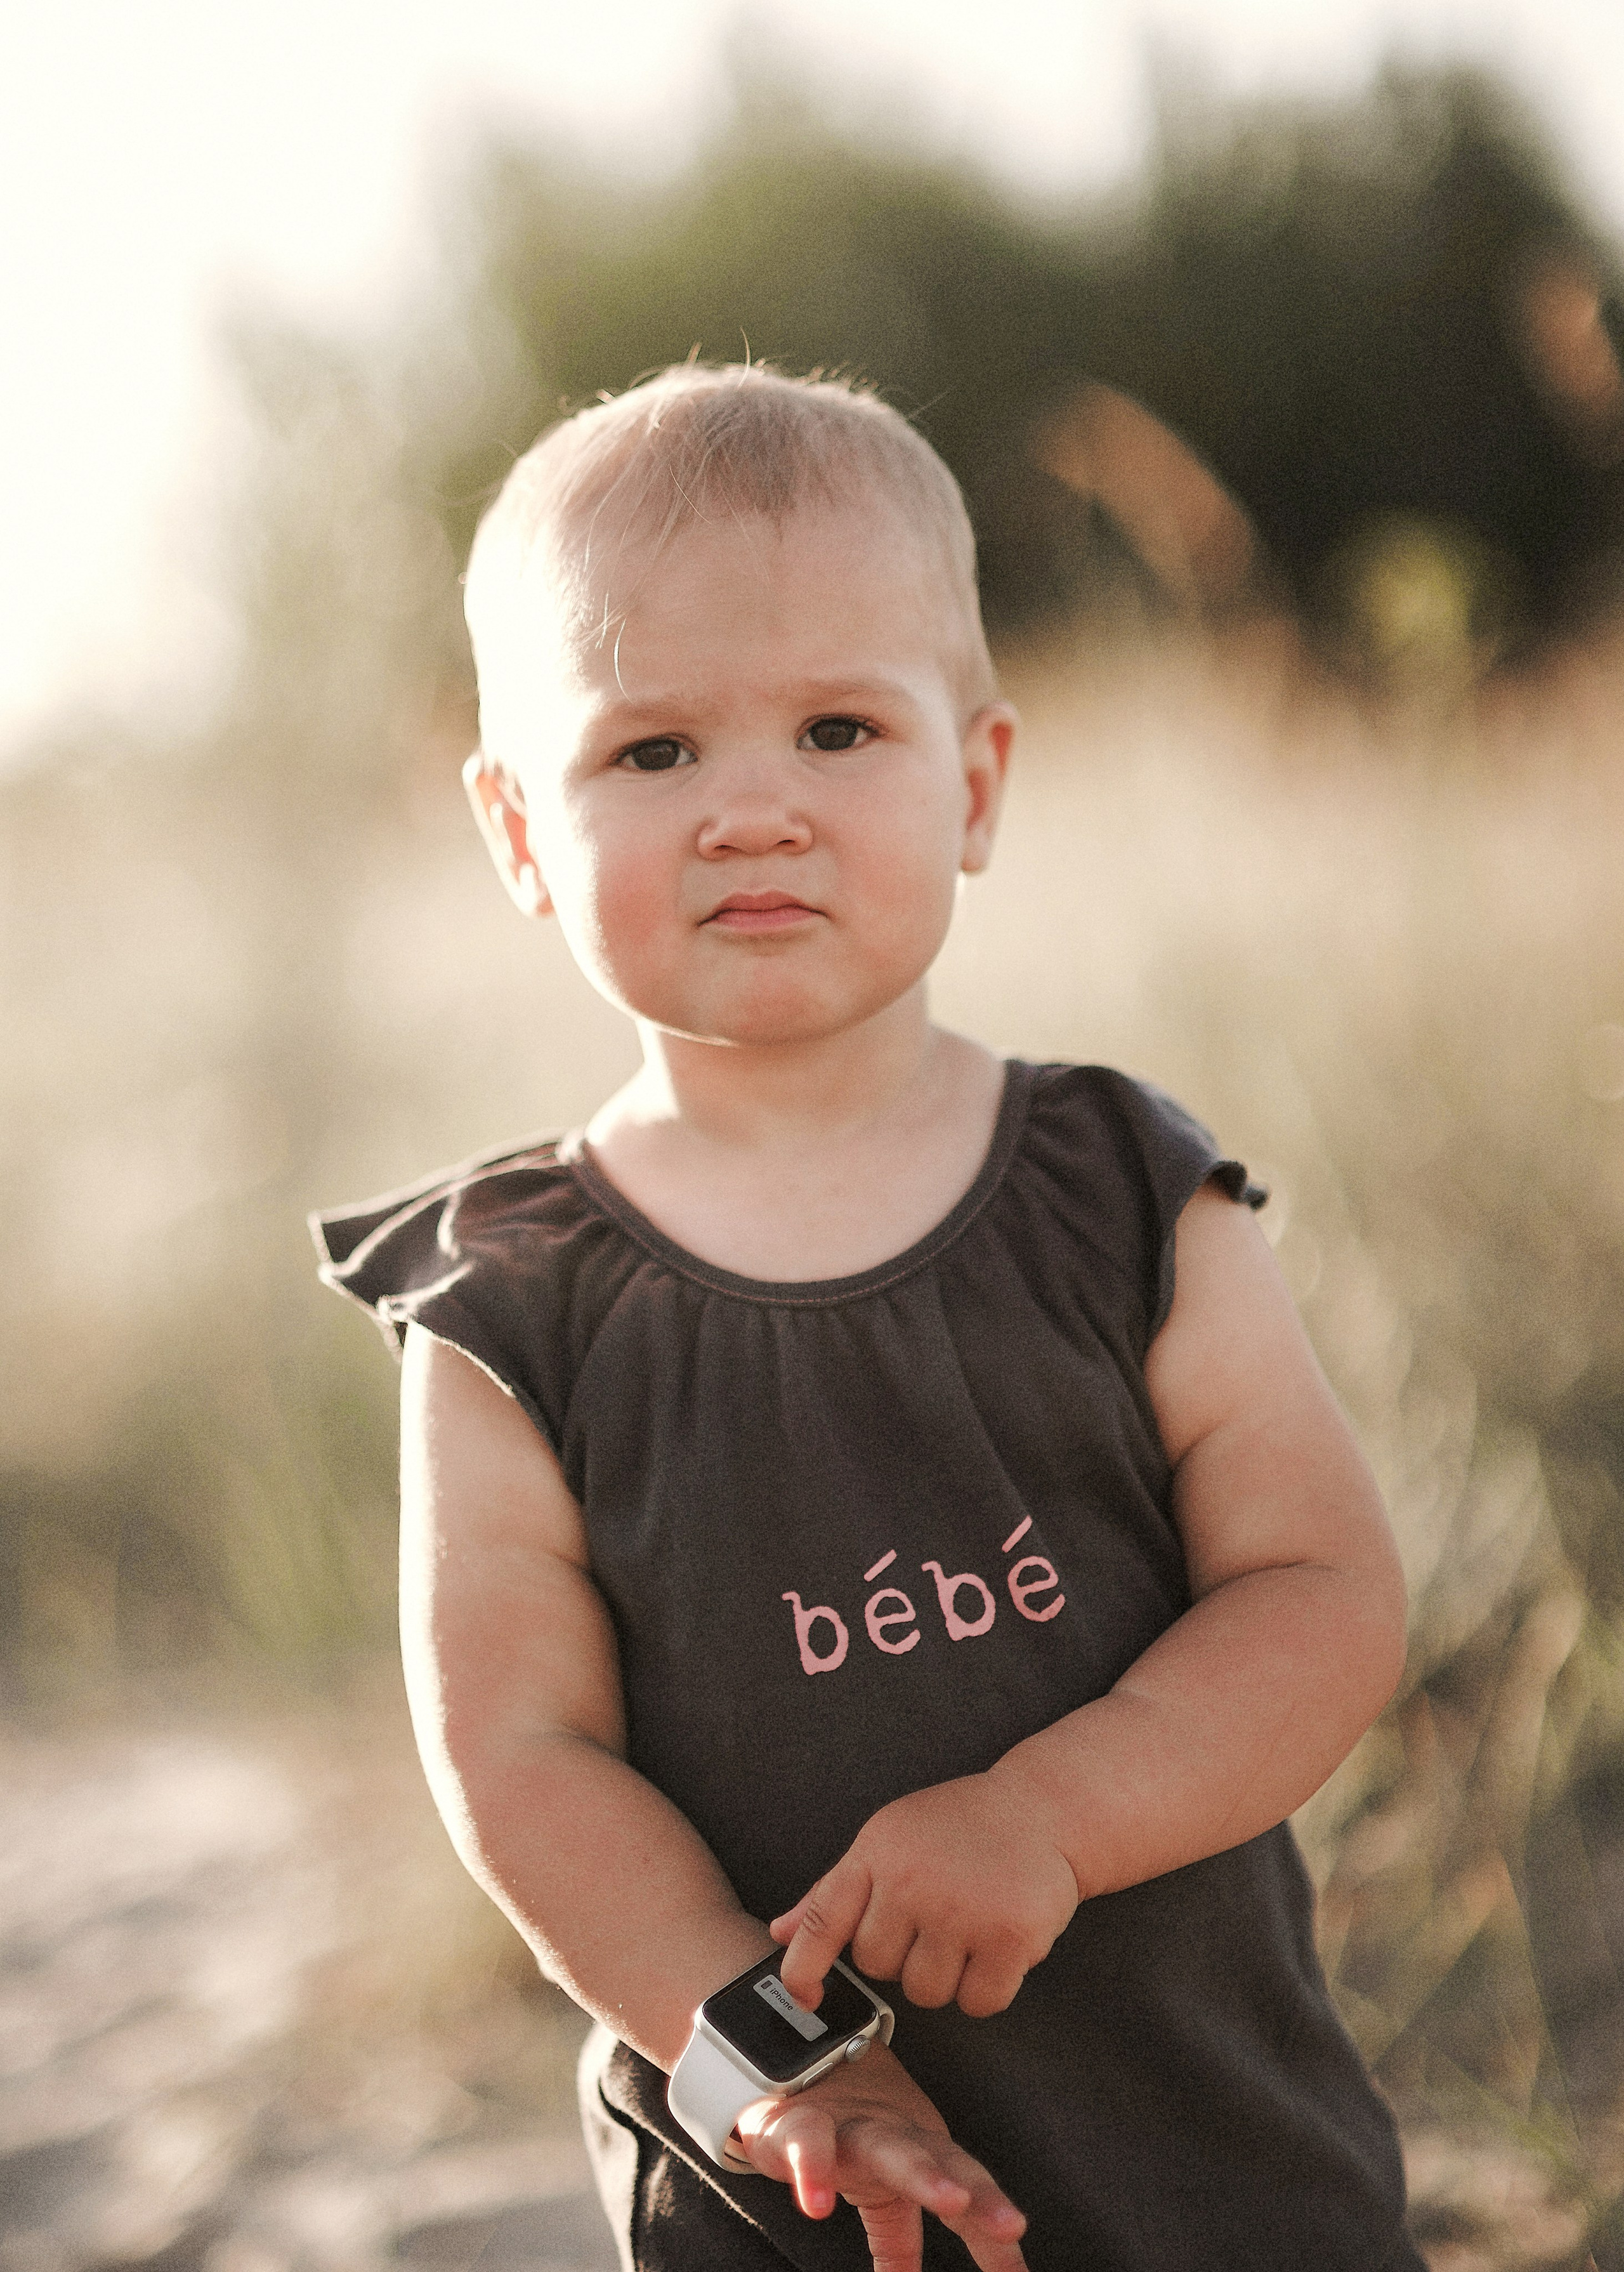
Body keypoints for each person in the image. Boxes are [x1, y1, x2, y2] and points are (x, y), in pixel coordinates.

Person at [313, 363, 1423, 2271]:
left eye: (838, 729)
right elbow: (523, 1756)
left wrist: (1051, 1819)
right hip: (789, 2193)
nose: (754, 809)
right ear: (518, 829)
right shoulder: (511, 1302)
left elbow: (1320, 1590)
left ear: (974, 781)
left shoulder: (1123, 1192)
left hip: (1208, 2144)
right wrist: (770, 2059)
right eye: (651, 752)